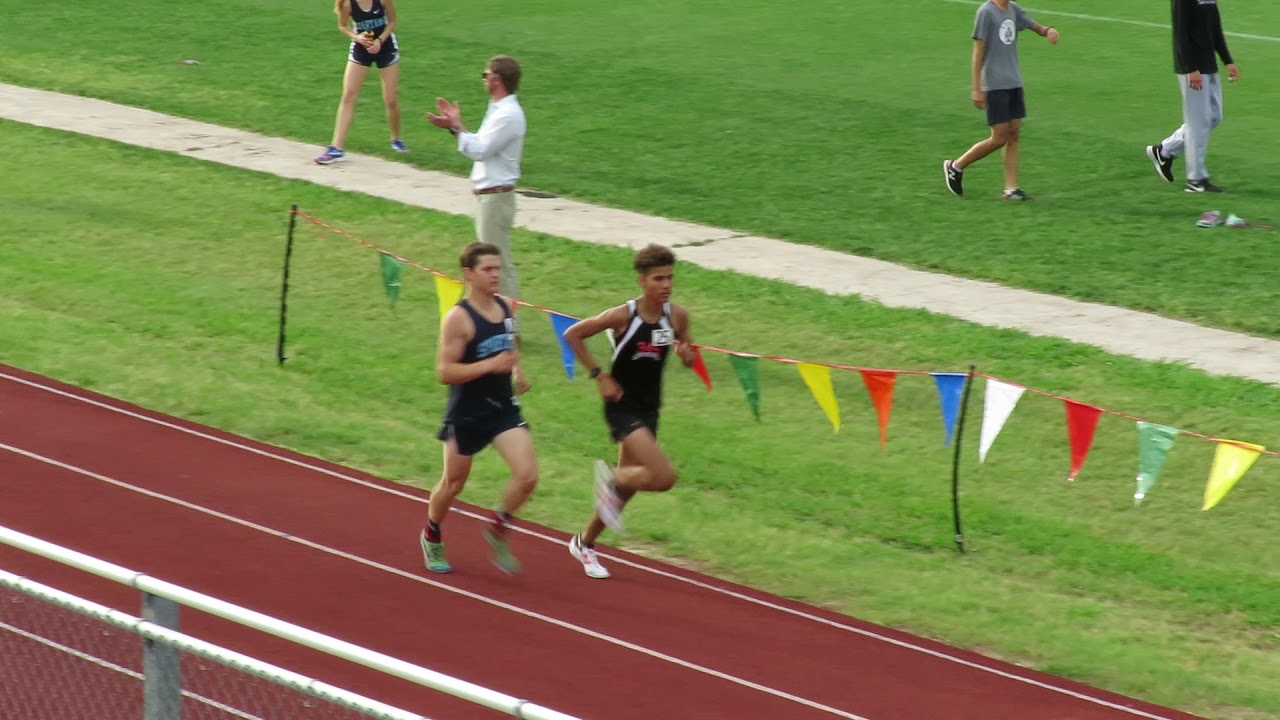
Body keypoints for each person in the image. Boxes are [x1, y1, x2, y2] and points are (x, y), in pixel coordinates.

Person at [560, 244, 697, 579]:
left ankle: (584, 543)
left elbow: (687, 350)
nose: (666, 285)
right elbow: (573, 334)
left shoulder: (677, 316)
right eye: (658, 279)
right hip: (621, 405)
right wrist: (599, 376)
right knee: (663, 477)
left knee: (622, 493)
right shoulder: (624, 316)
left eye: (670, 278)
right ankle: (612, 479)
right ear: (642, 281)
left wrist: (686, 355)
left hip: (651, 407)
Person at [419, 241, 536, 575]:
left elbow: (508, 344)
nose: (496, 275)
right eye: (488, 269)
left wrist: (516, 370)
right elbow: (444, 372)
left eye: (498, 268)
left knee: (527, 476)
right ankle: (432, 532)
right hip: (467, 412)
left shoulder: (506, 307)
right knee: (452, 485)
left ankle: (498, 526)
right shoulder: (458, 319)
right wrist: (491, 366)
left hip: (502, 409)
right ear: (469, 274)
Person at [426, 56, 527, 300]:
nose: (483, 80)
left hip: (495, 197)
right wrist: (454, 128)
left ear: (496, 80)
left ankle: (509, 327)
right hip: (490, 197)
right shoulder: (499, 110)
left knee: (496, 266)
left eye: (486, 75)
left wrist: (457, 126)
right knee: (492, 263)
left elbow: (480, 151)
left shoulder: (507, 115)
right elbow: (481, 145)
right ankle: (499, 321)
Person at [942, 0, 1059, 200]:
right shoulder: (986, 12)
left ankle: (1010, 189)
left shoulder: (1012, 9)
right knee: (999, 137)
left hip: (1014, 82)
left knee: (1013, 134)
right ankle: (956, 166)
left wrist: (1048, 31)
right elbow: (978, 51)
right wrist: (976, 88)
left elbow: (1034, 26)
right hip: (995, 85)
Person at [1145, 0, 1239, 193]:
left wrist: (1227, 60)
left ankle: (1164, 151)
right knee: (1198, 123)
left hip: (1209, 63)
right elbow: (1181, 33)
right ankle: (1195, 179)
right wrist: (1190, 68)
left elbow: (1215, 28)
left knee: (1214, 116)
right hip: (1192, 68)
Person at [314, 0, 406, 165]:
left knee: (390, 99)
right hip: (361, 49)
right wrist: (357, 37)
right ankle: (337, 147)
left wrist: (379, 41)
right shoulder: (348, 4)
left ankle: (396, 138)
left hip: (385, 48)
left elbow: (392, 21)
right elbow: (343, 25)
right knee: (348, 96)